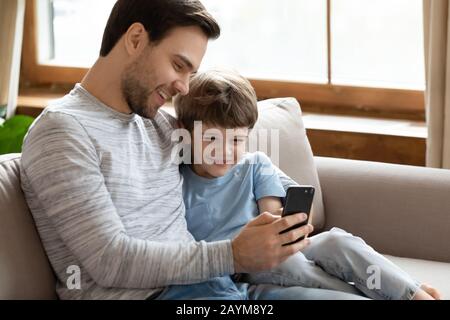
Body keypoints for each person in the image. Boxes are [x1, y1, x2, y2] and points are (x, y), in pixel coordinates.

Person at [20, 0, 363, 300]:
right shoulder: (61, 132)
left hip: (220, 288)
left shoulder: (158, 125)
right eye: (179, 65)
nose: (184, 86)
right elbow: (111, 261)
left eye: (191, 72)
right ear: (136, 39)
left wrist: (278, 216)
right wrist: (234, 255)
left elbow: (245, 165)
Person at [173, 69, 442, 300]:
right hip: (239, 264)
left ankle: (409, 292)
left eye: (235, 141)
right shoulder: (175, 181)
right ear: (187, 132)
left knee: (337, 240)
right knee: (295, 268)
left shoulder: (254, 165)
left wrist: (290, 224)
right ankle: (394, 294)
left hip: (275, 248)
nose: (225, 152)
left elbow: (273, 217)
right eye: (212, 139)